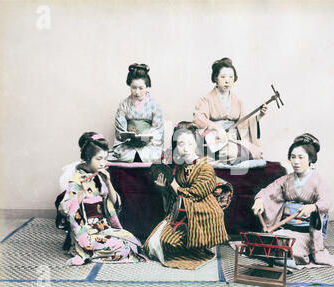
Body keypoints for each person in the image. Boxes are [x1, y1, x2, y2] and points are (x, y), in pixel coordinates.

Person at [251, 133, 334, 268]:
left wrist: (313, 207)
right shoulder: (287, 179)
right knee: (267, 244)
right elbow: (269, 191)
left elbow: (326, 201)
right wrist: (259, 200)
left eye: (301, 157)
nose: (296, 161)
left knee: (288, 251)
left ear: (310, 159)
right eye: (293, 157)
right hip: (286, 227)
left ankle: (300, 254)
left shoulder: (317, 181)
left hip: (306, 232)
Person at [144, 122, 229, 269]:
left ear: (197, 144)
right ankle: (189, 246)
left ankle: (197, 248)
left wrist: (173, 185)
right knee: (151, 244)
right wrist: (163, 188)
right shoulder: (180, 167)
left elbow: (196, 193)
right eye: (181, 144)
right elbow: (174, 197)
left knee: (165, 243)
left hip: (202, 211)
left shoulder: (206, 167)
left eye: (190, 143)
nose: (186, 148)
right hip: (183, 210)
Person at [58, 132, 146, 265]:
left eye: (105, 158)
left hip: (102, 228)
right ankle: (85, 252)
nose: (103, 163)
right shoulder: (77, 179)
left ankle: (96, 252)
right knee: (122, 247)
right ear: (88, 158)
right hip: (86, 232)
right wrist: (82, 191)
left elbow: (116, 204)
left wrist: (108, 182)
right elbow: (65, 208)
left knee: (133, 243)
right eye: (99, 159)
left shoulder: (99, 177)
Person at [193, 57, 268, 165]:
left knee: (257, 152)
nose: (227, 80)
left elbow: (243, 124)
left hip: (233, 139)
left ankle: (232, 155)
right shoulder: (206, 99)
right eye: (223, 77)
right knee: (232, 153)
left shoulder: (238, 101)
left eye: (231, 77)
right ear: (216, 78)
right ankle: (223, 157)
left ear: (234, 79)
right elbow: (198, 118)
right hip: (216, 139)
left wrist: (260, 116)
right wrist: (216, 127)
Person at [109, 63, 164, 163]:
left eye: (141, 88)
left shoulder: (154, 105)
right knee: (124, 155)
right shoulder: (124, 104)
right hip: (128, 144)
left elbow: (158, 129)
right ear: (129, 86)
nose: (137, 92)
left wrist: (147, 138)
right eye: (134, 87)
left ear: (147, 87)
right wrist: (128, 137)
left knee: (147, 155)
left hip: (149, 145)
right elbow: (120, 130)